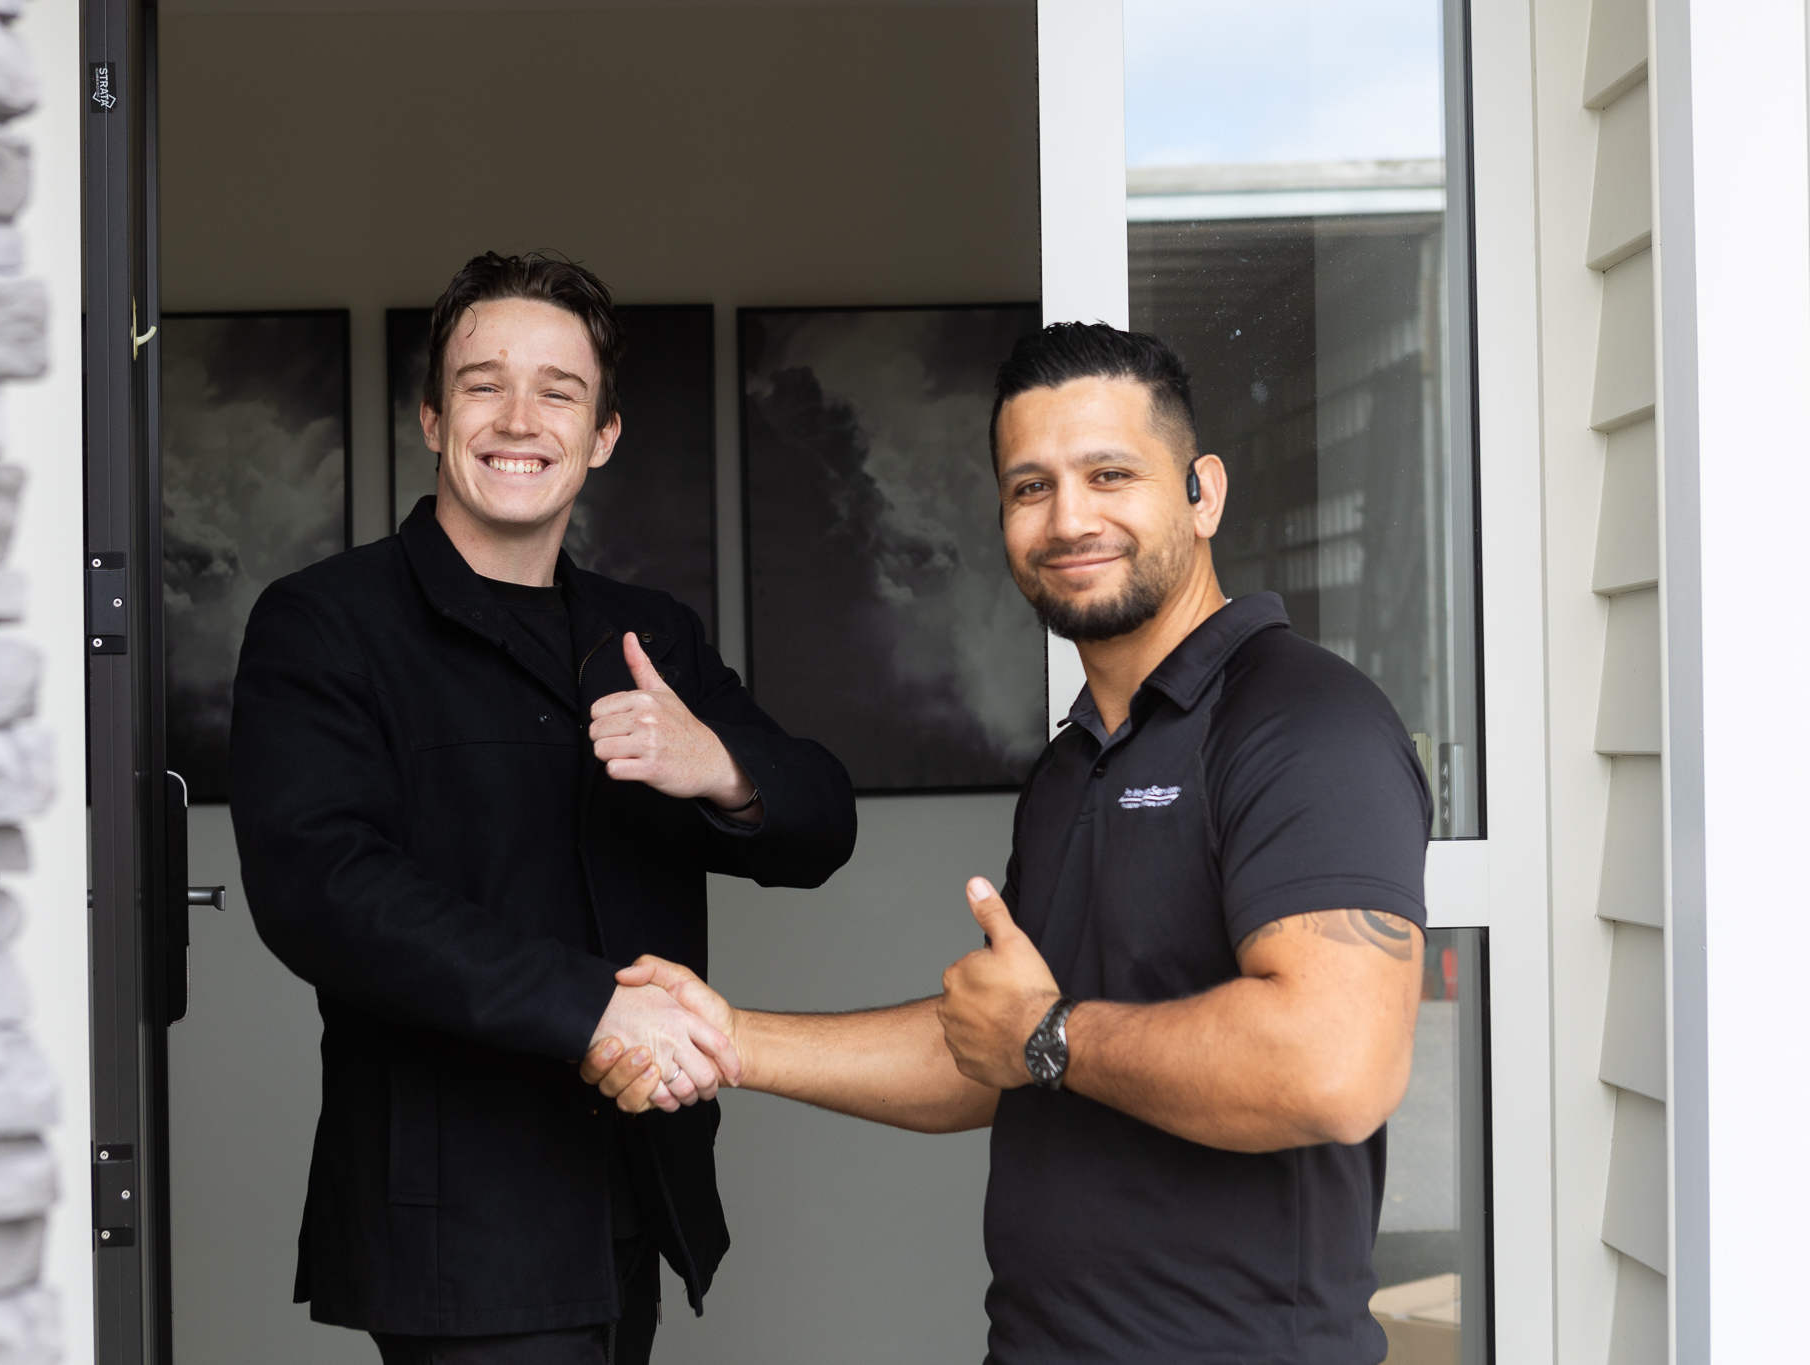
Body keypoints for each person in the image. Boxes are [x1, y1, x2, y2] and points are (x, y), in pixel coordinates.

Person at [583, 324, 1432, 1363]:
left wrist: (1048, 1034)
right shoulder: (1075, 764)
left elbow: (1334, 1066)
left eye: (1109, 475)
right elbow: (1000, 1052)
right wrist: (732, 1039)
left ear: (1202, 493)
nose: (1068, 519)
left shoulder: (1303, 723)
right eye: (1031, 487)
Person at [229, 251, 854, 1365]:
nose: (519, 419)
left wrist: (715, 760)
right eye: (483, 384)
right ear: (433, 418)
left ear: (602, 434)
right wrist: (592, 1009)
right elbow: (323, 891)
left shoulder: (649, 634)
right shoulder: (324, 623)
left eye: (558, 392)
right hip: (456, 1215)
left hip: (636, 1185)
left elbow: (823, 826)